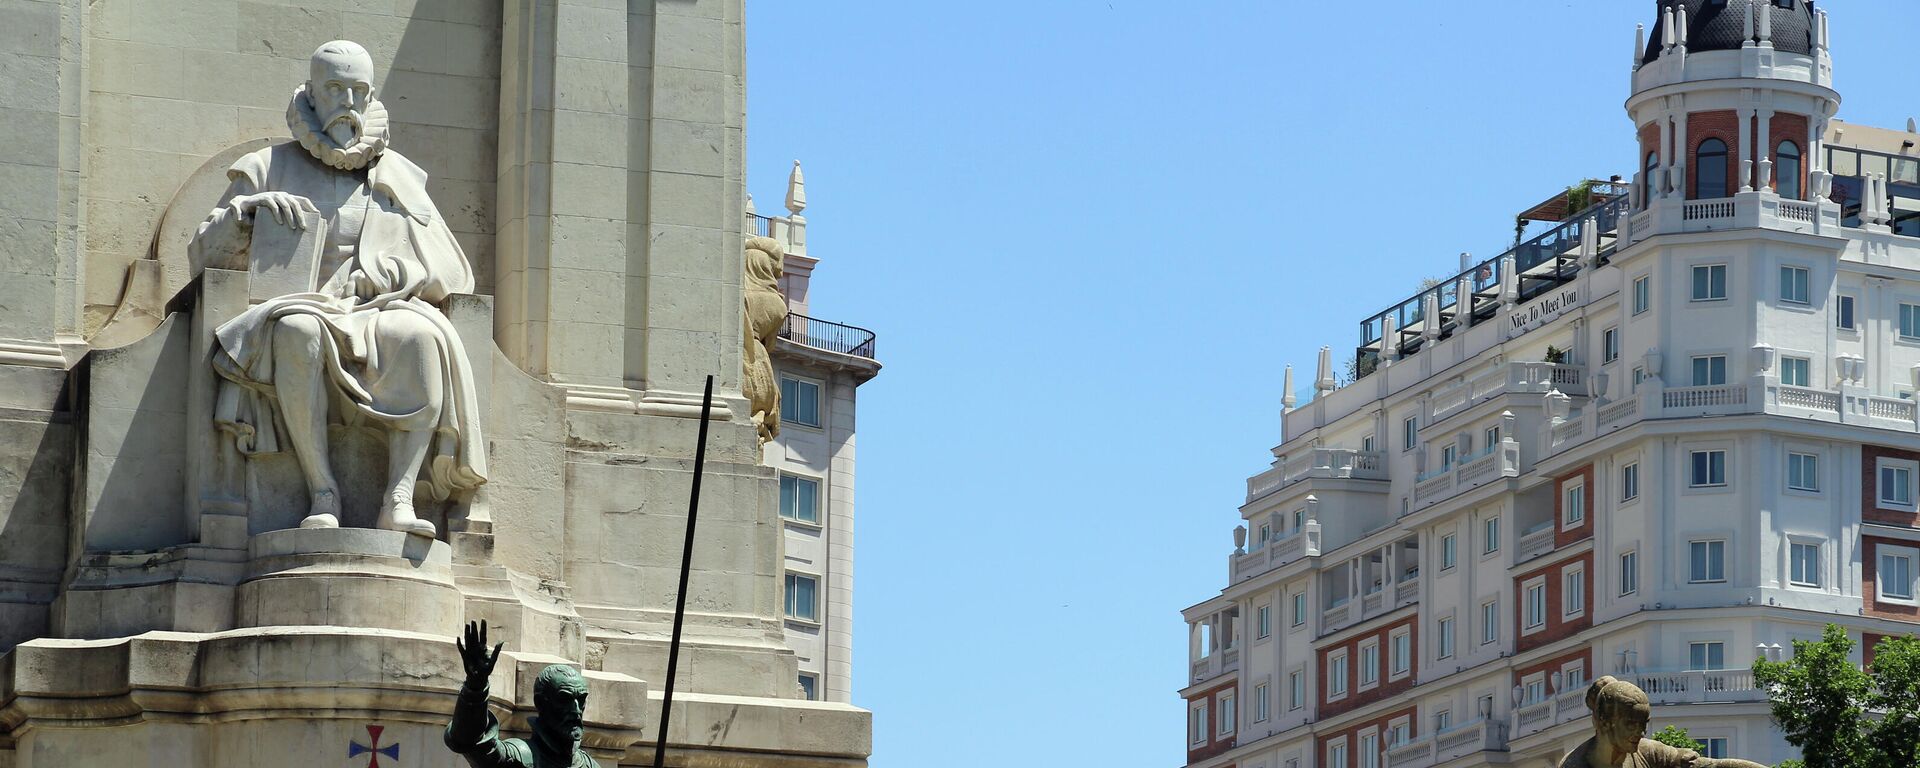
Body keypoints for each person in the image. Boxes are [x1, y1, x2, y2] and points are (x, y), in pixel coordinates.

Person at [190, 40, 485, 537]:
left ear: (370, 98)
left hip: (376, 308)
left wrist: (395, 274)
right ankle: (322, 490)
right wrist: (246, 213)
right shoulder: (266, 167)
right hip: (300, 305)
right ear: (311, 94)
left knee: (422, 338)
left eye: (358, 91)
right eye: (335, 89)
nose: (347, 103)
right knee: (295, 331)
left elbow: (455, 275)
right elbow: (203, 257)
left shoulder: (397, 176)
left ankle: (398, 498)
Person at [446, 620, 597, 768]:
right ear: (541, 703)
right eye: (565, 699)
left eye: (581, 700)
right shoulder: (519, 757)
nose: (576, 709)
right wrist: (475, 687)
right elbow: (473, 744)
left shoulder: (589, 765)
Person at [1559, 676, 1767, 768]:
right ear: (1605, 721)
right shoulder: (1574, 764)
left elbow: (1710, 766)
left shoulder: (1647, 751)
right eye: (1632, 723)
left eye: (1644, 724)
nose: (1641, 732)